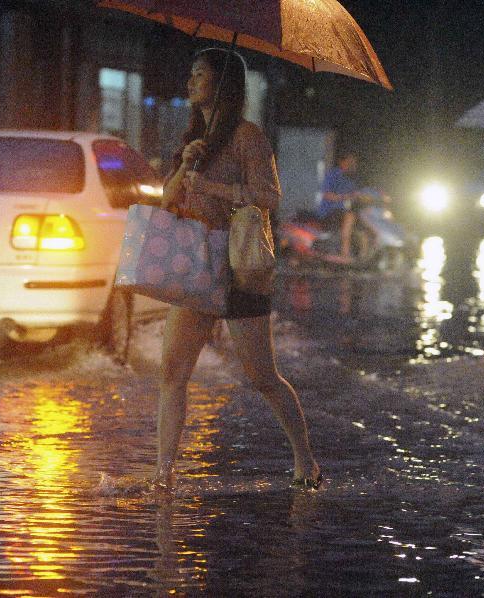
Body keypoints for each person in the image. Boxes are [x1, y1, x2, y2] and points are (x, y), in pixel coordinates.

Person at [157, 48, 320, 490]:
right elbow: (166, 202)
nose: (190, 82)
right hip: (196, 268)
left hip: (239, 268)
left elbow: (270, 197)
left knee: (262, 377)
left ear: (223, 85)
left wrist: (212, 185)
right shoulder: (193, 137)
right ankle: (163, 475)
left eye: (200, 75)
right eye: (190, 74)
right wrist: (184, 167)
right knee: (173, 373)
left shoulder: (248, 137)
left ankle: (305, 458)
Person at [318, 152, 360, 261]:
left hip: (342, 211)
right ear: (342, 162)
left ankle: (358, 252)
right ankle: (342, 252)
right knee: (349, 217)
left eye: (353, 162)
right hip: (329, 210)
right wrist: (344, 197)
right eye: (349, 162)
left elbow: (355, 195)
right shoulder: (333, 175)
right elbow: (327, 194)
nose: (352, 164)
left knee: (358, 218)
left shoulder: (350, 180)